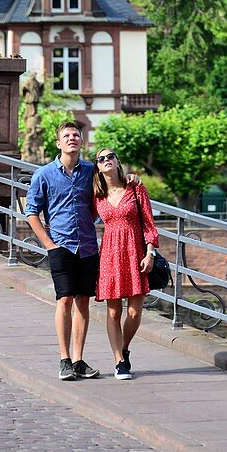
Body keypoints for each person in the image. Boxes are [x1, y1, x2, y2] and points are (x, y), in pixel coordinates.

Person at [25, 121, 101, 381]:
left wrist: (132, 179)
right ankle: (64, 359)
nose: (72, 139)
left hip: (88, 245)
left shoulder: (91, 171)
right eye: (67, 136)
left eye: (76, 135)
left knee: (83, 301)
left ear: (81, 142)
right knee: (64, 300)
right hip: (61, 245)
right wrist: (48, 244)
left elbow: (113, 187)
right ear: (58, 143)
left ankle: (79, 360)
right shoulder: (44, 174)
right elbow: (31, 212)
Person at [93, 150, 159, 380]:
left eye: (110, 156)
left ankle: (124, 348)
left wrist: (149, 253)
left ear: (117, 161)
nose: (106, 160)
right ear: (98, 168)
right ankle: (119, 362)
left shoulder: (135, 188)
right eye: (100, 159)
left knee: (134, 312)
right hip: (110, 254)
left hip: (135, 252)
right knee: (113, 311)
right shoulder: (96, 195)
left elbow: (149, 224)